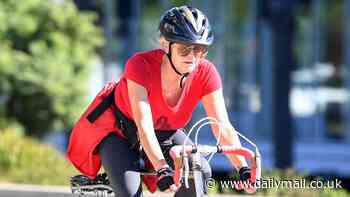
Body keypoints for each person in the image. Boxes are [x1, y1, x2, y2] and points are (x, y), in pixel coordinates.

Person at [67, 5, 251, 197]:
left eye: (199, 49)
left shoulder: (206, 73)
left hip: (165, 135)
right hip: (120, 133)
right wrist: (162, 168)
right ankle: (107, 186)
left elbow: (222, 126)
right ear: (165, 44)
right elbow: (144, 127)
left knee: (199, 172)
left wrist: (243, 168)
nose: (192, 57)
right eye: (184, 49)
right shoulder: (139, 65)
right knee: (130, 193)